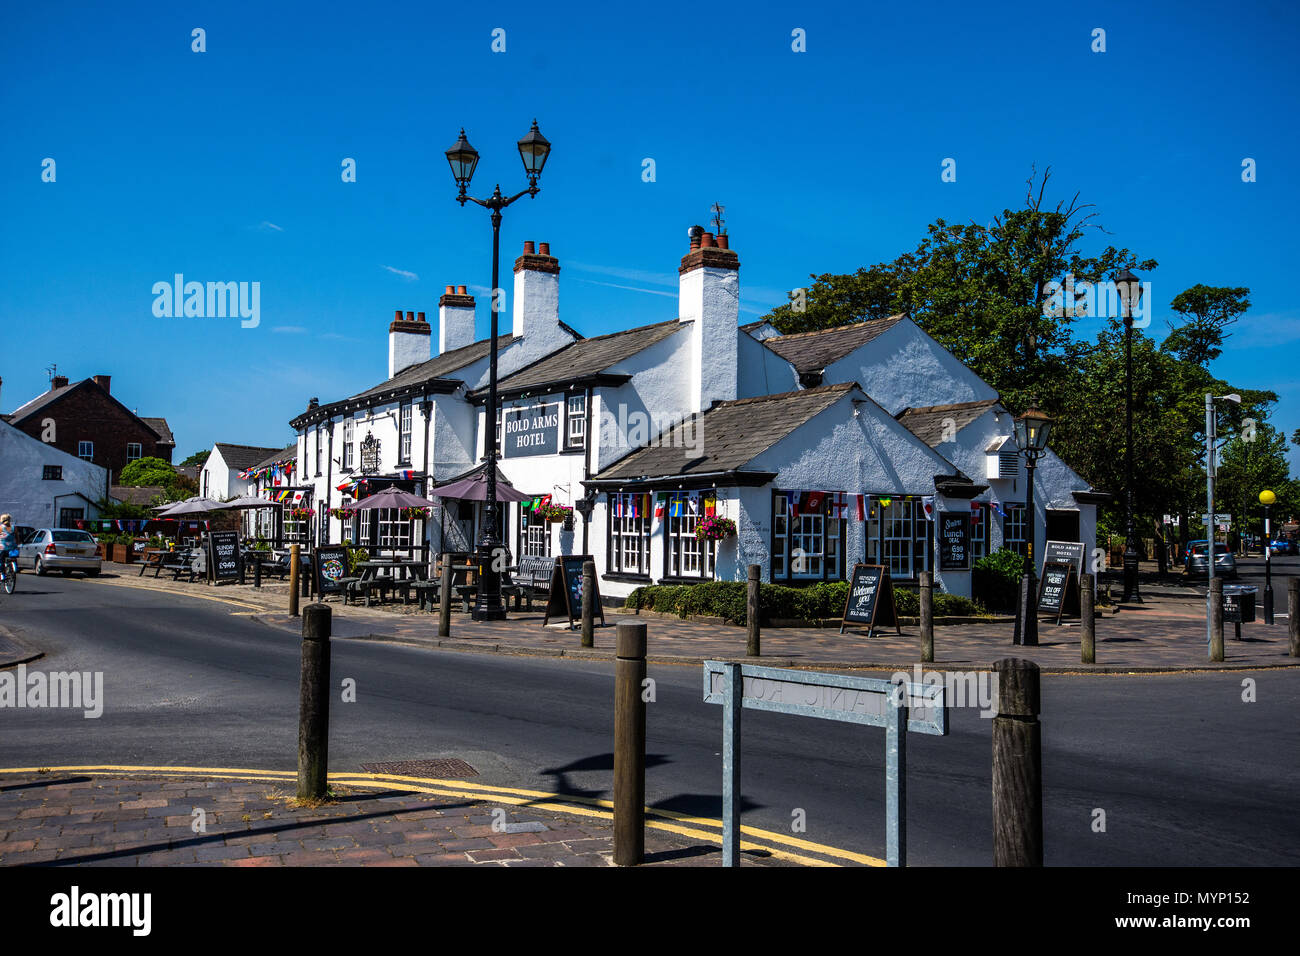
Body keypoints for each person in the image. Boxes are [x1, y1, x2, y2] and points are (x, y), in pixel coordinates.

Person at [0, 515, 17, 580]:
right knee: (13, 558)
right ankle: (14, 566)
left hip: (2, 549)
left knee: (1, 561)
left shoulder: (1, 528)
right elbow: (17, 538)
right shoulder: (14, 528)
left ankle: (2, 574)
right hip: (12, 548)